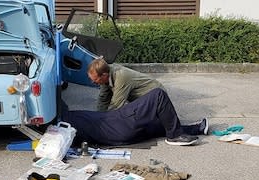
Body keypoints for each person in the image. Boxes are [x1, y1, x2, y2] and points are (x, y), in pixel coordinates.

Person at [61, 88, 208, 146]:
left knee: (157, 125)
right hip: (118, 122)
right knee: (158, 95)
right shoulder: (64, 122)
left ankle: (197, 129)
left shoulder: (65, 130)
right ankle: (175, 136)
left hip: (119, 134)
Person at [88, 57, 164, 112]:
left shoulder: (121, 76)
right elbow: (103, 99)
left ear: (104, 75)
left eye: (95, 80)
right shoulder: (106, 74)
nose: (93, 82)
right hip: (143, 99)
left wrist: (104, 122)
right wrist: (98, 118)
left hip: (157, 96)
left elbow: (116, 105)